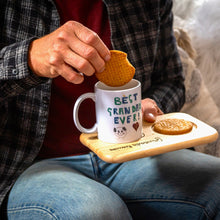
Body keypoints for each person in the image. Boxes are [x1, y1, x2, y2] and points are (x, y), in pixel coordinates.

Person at [1, 0, 220, 219]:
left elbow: (171, 80)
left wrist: (152, 103)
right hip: (31, 165)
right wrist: (28, 58)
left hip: (132, 154)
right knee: (96, 211)